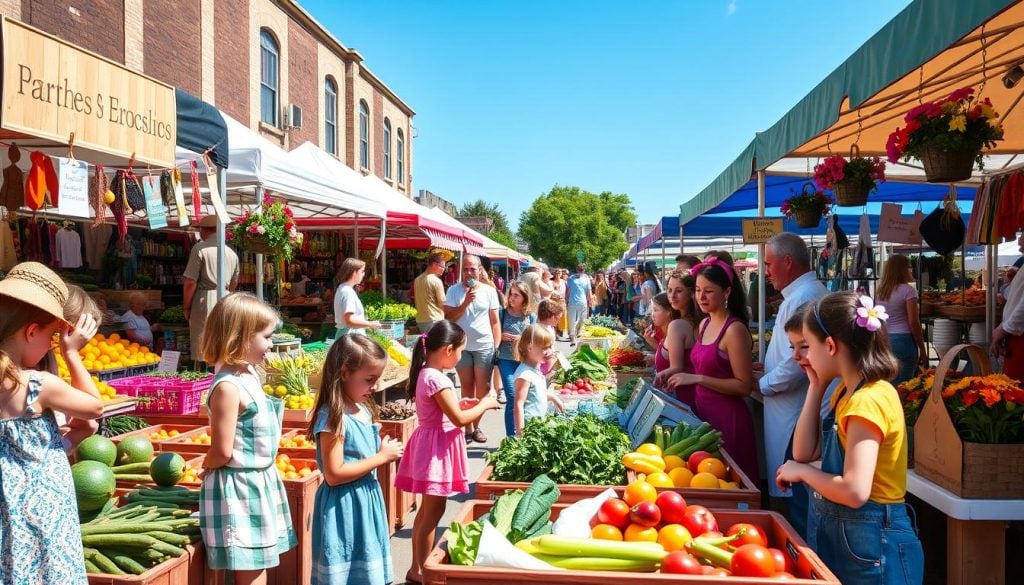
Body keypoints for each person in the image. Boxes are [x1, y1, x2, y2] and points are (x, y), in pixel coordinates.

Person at [778, 292, 923, 584]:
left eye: (809, 345)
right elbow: (803, 453)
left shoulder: (866, 401)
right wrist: (815, 387)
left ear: (830, 345)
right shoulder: (846, 393)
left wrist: (804, 473)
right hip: (856, 538)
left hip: (874, 542)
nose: (803, 357)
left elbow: (855, 491)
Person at [0, 262, 104, 584]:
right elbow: (94, 408)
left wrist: (60, 442)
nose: (51, 347)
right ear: (32, 331)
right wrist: (72, 355)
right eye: (51, 338)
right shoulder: (36, 384)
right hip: (44, 515)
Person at [200, 293, 296, 581]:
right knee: (250, 568)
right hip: (240, 487)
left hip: (255, 481)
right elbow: (222, 451)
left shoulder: (249, 373)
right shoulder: (229, 387)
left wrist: (206, 465)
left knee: (255, 563)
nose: (271, 344)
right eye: (266, 337)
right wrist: (208, 464)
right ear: (240, 338)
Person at [396, 321, 499, 584]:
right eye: (461, 351)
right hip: (436, 450)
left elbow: (447, 409)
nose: (462, 357)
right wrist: (486, 403)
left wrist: (460, 403)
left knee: (426, 513)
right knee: (432, 514)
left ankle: (415, 569)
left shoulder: (426, 373)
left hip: (432, 445)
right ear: (448, 350)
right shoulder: (437, 378)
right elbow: (460, 420)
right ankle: (422, 572)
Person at [308, 334, 400, 585]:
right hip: (343, 507)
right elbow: (334, 474)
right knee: (345, 575)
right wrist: (381, 457)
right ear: (345, 372)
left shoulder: (362, 409)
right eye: (369, 380)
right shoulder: (333, 416)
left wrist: (380, 450)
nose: (375, 386)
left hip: (365, 501)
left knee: (367, 574)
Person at [753, 232, 828, 536]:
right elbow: (790, 355)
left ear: (787, 262)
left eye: (769, 264)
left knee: (792, 491)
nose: (766, 271)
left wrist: (763, 383)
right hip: (789, 406)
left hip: (794, 409)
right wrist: (766, 370)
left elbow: (796, 363)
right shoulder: (801, 294)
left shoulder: (802, 297)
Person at [668, 253, 759, 482]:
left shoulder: (734, 330)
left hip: (730, 422)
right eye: (698, 290)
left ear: (726, 292)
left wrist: (697, 379)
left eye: (708, 291)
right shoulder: (705, 323)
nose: (701, 297)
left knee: (731, 484)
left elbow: (744, 386)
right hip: (705, 420)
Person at [443, 254, 501, 444]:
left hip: (484, 346)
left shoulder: (489, 291)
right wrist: (466, 302)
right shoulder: (453, 291)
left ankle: (476, 427)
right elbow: (449, 318)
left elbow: (494, 322)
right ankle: (468, 428)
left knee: (483, 389)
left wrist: (496, 346)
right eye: (465, 269)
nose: (469, 272)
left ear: (479, 270)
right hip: (462, 347)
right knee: (467, 388)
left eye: (472, 269)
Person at [183, 215, 239, 365]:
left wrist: (187, 306)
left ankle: (204, 377)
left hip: (205, 298)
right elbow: (234, 283)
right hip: (226, 298)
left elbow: (190, 282)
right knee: (223, 339)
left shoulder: (200, 248)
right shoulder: (231, 252)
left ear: (204, 230)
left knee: (204, 343)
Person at [875, 254, 927, 386]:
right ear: (902, 270)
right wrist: (922, 348)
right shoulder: (909, 291)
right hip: (904, 340)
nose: (911, 270)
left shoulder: (881, 292)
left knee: (888, 383)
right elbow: (913, 322)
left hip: (885, 340)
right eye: (909, 267)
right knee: (904, 386)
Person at [654, 271, 700, 406]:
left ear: (691, 293)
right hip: (695, 395)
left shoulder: (677, 325)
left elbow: (677, 367)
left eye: (678, 291)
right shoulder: (700, 322)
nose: (672, 296)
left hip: (679, 396)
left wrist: (657, 378)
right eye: (669, 290)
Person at [495, 281, 535, 436]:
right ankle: (511, 438)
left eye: (516, 295)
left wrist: (520, 338)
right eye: (511, 294)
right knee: (512, 396)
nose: (512, 298)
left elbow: (533, 338)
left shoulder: (530, 317)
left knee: (525, 398)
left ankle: (523, 433)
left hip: (524, 362)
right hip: (505, 360)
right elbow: (493, 333)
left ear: (525, 298)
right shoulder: (502, 313)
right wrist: (500, 336)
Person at [512, 324, 564, 435]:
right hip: (530, 429)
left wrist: (553, 398)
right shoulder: (525, 374)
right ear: (530, 348)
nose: (549, 351)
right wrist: (522, 434)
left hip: (539, 426)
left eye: (550, 347)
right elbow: (518, 405)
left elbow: (536, 394)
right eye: (545, 348)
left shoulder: (536, 370)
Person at [993, 232, 1024, 381]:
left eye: (1023, 234)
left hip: (1020, 337)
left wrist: (1004, 328)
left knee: (1015, 391)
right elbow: (1012, 296)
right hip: (1015, 336)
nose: (1019, 242)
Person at [334, 258, 383, 338]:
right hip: (351, 338)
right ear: (354, 273)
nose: (363, 274)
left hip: (348, 336)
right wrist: (370, 324)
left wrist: (366, 325)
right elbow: (349, 321)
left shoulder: (342, 288)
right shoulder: (347, 292)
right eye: (362, 271)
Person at [646, 291, 681, 375]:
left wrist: (652, 343)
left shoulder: (675, 334)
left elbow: (675, 367)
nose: (652, 315)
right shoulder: (667, 332)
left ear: (669, 312)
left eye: (655, 310)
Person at [414, 253, 447, 334]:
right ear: (434, 264)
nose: (443, 269)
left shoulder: (417, 280)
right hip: (435, 320)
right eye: (442, 267)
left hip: (420, 320)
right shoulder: (436, 281)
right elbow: (442, 303)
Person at [566, 264, 593, 345]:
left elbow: (589, 291)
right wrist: (566, 299)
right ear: (577, 269)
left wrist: (590, 300)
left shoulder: (586, 279)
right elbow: (567, 290)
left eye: (582, 269)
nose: (581, 270)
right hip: (572, 302)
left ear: (584, 270)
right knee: (572, 320)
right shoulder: (571, 278)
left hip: (583, 302)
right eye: (579, 269)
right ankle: (572, 337)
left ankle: (577, 332)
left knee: (582, 320)